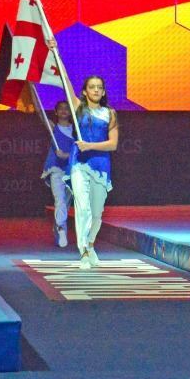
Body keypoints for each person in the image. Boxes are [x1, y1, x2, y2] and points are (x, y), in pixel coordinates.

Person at [69, 75, 119, 269]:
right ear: (85, 91)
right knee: (82, 208)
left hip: (100, 165)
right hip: (79, 165)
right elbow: (66, 79)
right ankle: (83, 252)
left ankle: (90, 244)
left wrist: (89, 146)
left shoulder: (110, 114)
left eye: (99, 87)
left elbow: (113, 144)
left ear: (104, 92)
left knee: (97, 213)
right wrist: (53, 48)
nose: (96, 90)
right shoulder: (77, 109)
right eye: (92, 87)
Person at [40, 99, 75, 248]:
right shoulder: (54, 128)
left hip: (72, 171)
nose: (63, 111)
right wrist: (30, 91)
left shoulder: (77, 130)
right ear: (56, 112)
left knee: (66, 204)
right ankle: (61, 229)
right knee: (59, 200)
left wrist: (66, 155)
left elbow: (80, 151)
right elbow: (40, 114)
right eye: (60, 108)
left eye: (67, 108)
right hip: (56, 170)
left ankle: (59, 226)